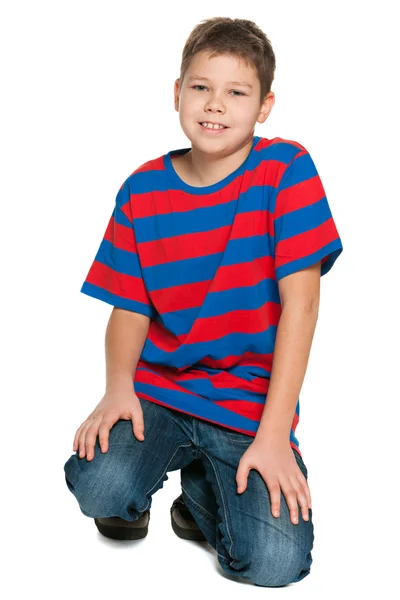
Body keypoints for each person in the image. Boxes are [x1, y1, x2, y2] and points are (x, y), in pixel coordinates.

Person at [64, 16, 343, 587]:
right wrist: (118, 388)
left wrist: (272, 435)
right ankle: (142, 492)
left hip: (247, 409)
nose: (215, 105)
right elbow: (129, 307)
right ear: (177, 92)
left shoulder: (286, 171)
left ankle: (199, 499)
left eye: (236, 92)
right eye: (200, 87)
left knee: (274, 564)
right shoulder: (142, 189)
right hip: (160, 393)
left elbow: (302, 308)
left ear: (264, 106)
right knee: (101, 487)